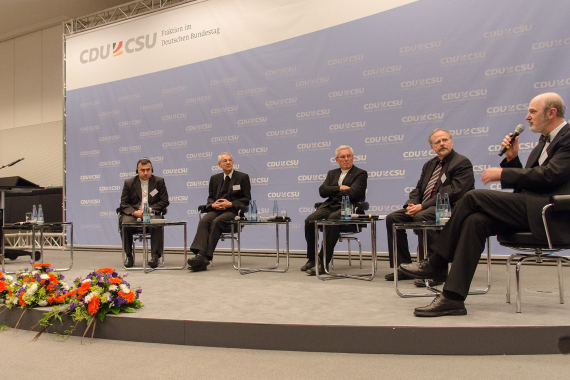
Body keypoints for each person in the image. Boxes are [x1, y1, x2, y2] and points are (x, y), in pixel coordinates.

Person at [400, 92, 570, 317]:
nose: (527, 117)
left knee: (473, 197)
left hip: (552, 214)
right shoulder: (542, 142)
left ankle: (437, 261)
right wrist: (512, 160)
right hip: (531, 208)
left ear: (552, 112)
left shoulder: (567, 137)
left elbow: (550, 176)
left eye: (533, 111)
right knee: (474, 221)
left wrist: (503, 174)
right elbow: (525, 188)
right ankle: (452, 298)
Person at [385, 129, 475, 285]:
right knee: (392, 218)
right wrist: (412, 204)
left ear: (451, 142)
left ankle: (435, 271)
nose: (442, 144)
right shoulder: (429, 165)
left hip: (449, 207)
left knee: (422, 217)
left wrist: (422, 206)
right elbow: (419, 189)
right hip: (425, 206)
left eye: (445, 140)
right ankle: (404, 267)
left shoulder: (461, 162)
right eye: (437, 142)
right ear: (432, 147)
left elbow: (454, 192)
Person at [302, 145, 368, 275]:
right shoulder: (332, 173)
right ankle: (312, 259)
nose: (346, 159)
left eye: (349, 156)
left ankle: (323, 262)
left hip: (348, 207)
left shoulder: (360, 173)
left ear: (353, 158)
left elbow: (354, 193)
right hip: (329, 205)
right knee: (309, 220)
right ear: (337, 159)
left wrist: (332, 191)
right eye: (342, 157)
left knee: (332, 220)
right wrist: (340, 188)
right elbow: (322, 191)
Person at [188, 152, 251, 271]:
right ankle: (200, 254)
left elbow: (247, 199)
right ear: (219, 164)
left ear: (233, 162)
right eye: (225, 161)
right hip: (217, 210)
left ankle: (206, 257)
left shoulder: (242, 177)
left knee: (217, 222)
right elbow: (210, 197)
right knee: (204, 221)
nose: (228, 162)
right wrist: (213, 204)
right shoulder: (214, 179)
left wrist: (231, 203)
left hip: (233, 212)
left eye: (230, 160)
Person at [119, 158, 170, 268]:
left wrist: (150, 209)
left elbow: (164, 201)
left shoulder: (159, 182)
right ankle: (129, 256)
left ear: (152, 170)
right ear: (137, 170)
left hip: (151, 212)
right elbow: (124, 203)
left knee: (156, 223)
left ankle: (155, 257)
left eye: (148, 170)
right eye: (142, 170)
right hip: (134, 214)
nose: (146, 172)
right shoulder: (129, 183)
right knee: (126, 224)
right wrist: (134, 212)